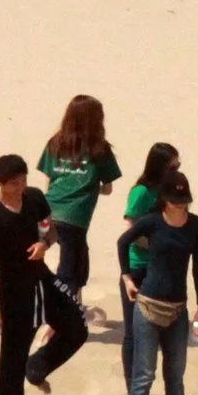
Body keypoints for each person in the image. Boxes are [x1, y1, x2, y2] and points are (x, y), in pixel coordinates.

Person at [114, 172, 198, 395]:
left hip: (178, 310)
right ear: (165, 201)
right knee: (144, 375)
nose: (181, 206)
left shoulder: (195, 224)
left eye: (184, 201)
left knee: (176, 377)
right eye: (176, 201)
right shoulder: (152, 222)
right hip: (148, 307)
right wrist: (127, 277)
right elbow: (123, 242)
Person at [0, 154, 84, 395]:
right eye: (14, 183)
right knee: (13, 354)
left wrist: (45, 244)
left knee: (77, 330)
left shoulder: (35, 197)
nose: (20, 187)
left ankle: (37, 365)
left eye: (23, 180)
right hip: (14, 291)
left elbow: (51, 230)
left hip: (43, 279)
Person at [36, 95, 122, 317]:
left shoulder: (55, 142)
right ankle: (61, 315)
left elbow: (48, 183)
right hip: (74, 218)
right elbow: (108, 188)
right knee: (69, 269)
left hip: (48, 210)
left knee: (80, 259)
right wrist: (90, 188)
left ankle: (76, 305)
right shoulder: (99, 149)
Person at [118, 142, 182, 379]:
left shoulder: (171, 191)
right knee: (133, 332)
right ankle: (133, 387)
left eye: (178, 166)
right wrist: (155, 243)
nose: (176, 170)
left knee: (162, 332)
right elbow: (129, 231)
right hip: (137, 268)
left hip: (162, 268)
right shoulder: (142, 192)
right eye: (171, 166)